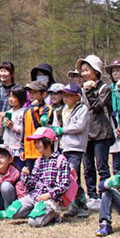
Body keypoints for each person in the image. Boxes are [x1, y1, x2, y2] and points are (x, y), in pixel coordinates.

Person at [0, 127, 71, 228]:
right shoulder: (39, 160)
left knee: (34, 222)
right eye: (35, 142)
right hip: (34, 196)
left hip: (50, 200)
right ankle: (37, 212)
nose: (35, 145)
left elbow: (64, 184)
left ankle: (52, 214)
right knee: (11, 212)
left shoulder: (61, 160)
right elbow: (33, 183)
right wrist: (26, 176)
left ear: (48, 142)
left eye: (38, 142)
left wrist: (49, 195)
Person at [77, 55, 114, 211]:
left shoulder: (104, 88)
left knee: (102, 167)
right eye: (83, 71)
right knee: (88, 167)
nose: (85, 73)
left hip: (102, 132)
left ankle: (105, 195)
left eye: (87, 70)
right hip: (86, 133)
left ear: (96, 71)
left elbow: (97, 106)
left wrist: (90, 90)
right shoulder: (82, 89)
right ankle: (92, 195)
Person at [52, 83, 90, 218]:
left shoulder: (82, 109)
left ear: (77, 96)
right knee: (65, 178)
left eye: (69, 95)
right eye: (64, 95)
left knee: (73, 177)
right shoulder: (60, 110)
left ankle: (82, 206)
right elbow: (56, 125)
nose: (65, 98)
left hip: (75, 148)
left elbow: (79, 126)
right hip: (62, 148)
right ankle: (73, 205)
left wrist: (63, 130)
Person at [0, 144, 26, 219]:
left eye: (2, 157)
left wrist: (22, 207)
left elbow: (20, 193)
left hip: (11, 201)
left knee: (6, 185)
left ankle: (8, 211)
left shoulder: (15, 173)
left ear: (10, 159)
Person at [20, 80, 52, 171]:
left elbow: (40, 125)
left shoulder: (47, 109)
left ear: (44, 94)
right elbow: (24, 129)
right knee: (29, 177)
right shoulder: (27, 110)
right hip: (28, 151)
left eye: (35, 92)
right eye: (30, 92)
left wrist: (34, 109)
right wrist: (22, 148)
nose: (31, 95)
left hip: (41, 150)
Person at [106, 60, 120, 173]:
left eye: (118, 70)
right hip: (114, 123)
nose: (115, 73)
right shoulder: (110, 88)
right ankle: (117, 183)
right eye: (113, 71)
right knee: (116, 160)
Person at [0, 85, 27, 168]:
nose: (11, 99)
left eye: (14, 97)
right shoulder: (7, 112)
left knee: (19, 170)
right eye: (9, 96)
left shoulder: (24, 112)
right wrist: (1, 121)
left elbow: (25, 130)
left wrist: (13, 126)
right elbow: (0, 133)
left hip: (18, 147)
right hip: (7, 146)